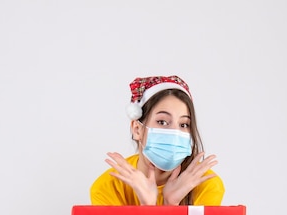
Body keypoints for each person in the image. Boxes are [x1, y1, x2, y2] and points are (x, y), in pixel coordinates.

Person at [90, 75, 224, 206]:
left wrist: (171, 204)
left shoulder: (206, 185)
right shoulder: (108, 187)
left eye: (184, 124)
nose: (175, 133)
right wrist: (147, 206)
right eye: (162, 122)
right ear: (137, 129)